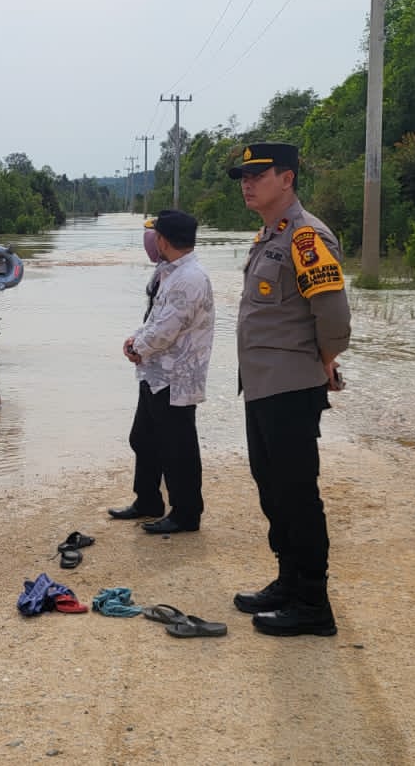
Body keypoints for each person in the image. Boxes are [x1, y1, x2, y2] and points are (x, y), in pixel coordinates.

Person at [229, 142, 352, 638]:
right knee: (271, 486)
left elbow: (334, 320)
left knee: (297, 494)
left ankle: (313, 603)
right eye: (243, 176)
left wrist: (324, 363)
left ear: (288, 178)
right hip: (262, 386)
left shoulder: (307, 238)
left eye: (258, 174)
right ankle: (287, 580)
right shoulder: (271, 235)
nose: (247, 182)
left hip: (290, 387)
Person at [109, 209, 214, 534]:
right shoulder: (170, 273)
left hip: (176, 378)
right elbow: (155, 319)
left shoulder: (189, 278)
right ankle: (148, 501)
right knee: (144, 438)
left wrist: (136, 347)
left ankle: (186, 513)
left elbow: (166, 330)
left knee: (178, 447)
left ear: (163, 240)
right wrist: (136, 340)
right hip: (156, 375)